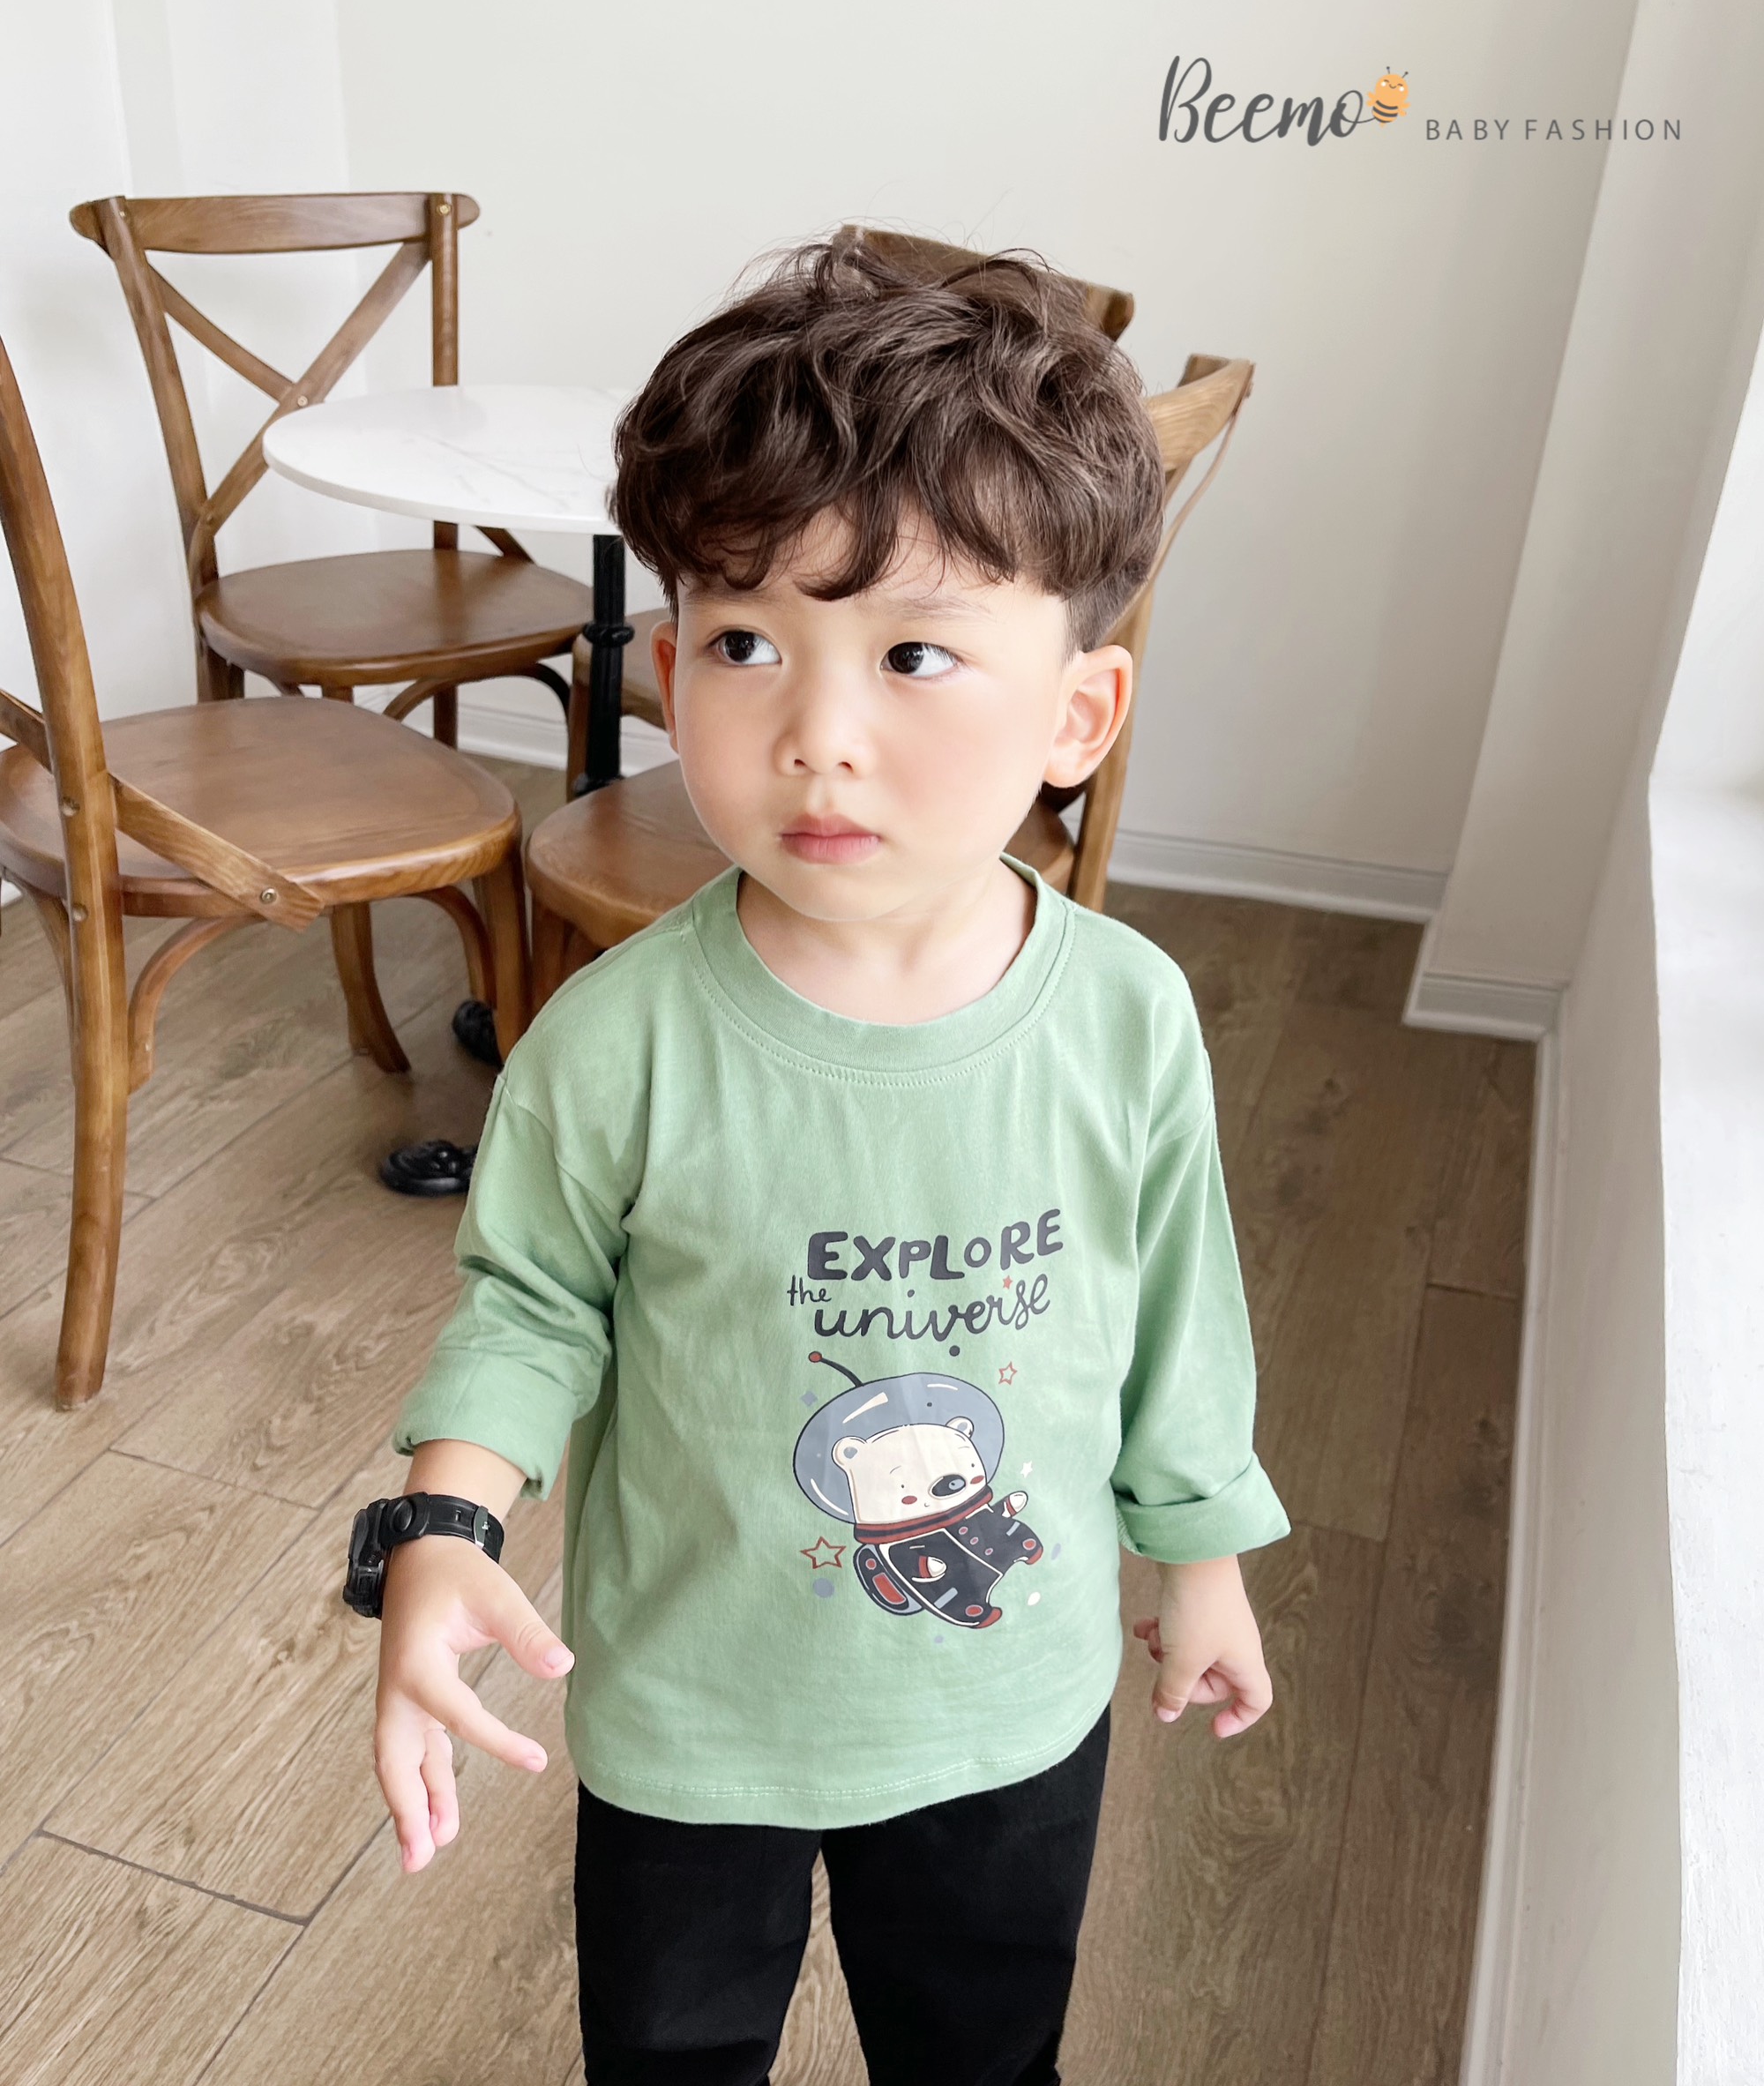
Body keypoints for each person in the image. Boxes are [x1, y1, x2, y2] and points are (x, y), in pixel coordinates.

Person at [369, 233, 1290, 2086]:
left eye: (915, 652)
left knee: (981, 2046)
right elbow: (530, 1303)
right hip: (691, 1716)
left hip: (1012, 1700)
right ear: (665, 669)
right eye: (745, 643)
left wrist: (1200, 1551)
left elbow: (1177, 1302)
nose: (818, 736)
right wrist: (444, 1528)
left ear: (1075, 718)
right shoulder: (614, 1040)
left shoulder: (1124, 1014)